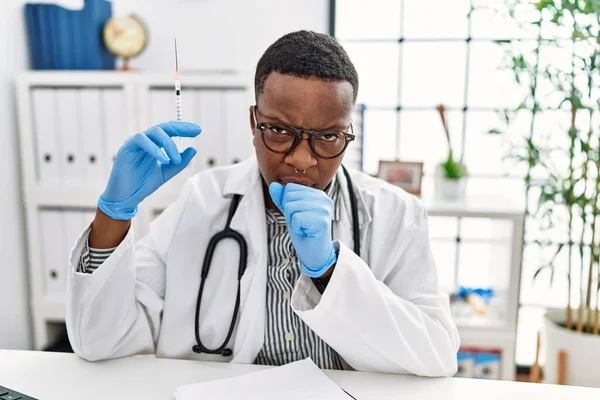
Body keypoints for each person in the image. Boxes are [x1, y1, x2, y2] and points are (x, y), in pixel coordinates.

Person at [65, 30, 460, 376]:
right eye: (280, 131)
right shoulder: (202, 201)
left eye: (328, 138)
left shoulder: (395, 215)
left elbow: (437, 355)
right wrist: (113, 214)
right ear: (254, 122)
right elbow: (100, 343)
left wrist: (329, 271)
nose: (302, 160)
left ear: (348, 132)